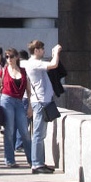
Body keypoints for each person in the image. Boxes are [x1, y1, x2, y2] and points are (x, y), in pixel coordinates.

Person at [21, 40, 61, 174]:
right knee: (38, 134)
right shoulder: (34, 63)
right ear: (36, 50)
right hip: (40, 102)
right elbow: (54, 64)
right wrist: (56, 52)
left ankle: (40, 162)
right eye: (42, 49)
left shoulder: (33, 63)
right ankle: (36, 164)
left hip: (42, 101)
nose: (44, 51)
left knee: (40, 133)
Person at [0, 48, 31, 168]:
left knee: (24, 131)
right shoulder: (3, 71)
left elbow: (29, 90)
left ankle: (32, 160)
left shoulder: (23, 71)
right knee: (9, 130)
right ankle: (9, 160)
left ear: (16, 57)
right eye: (7, 57)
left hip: (20, 101)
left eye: (11, 56)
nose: (9, 59)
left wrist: (30, 106)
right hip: (7, 100)